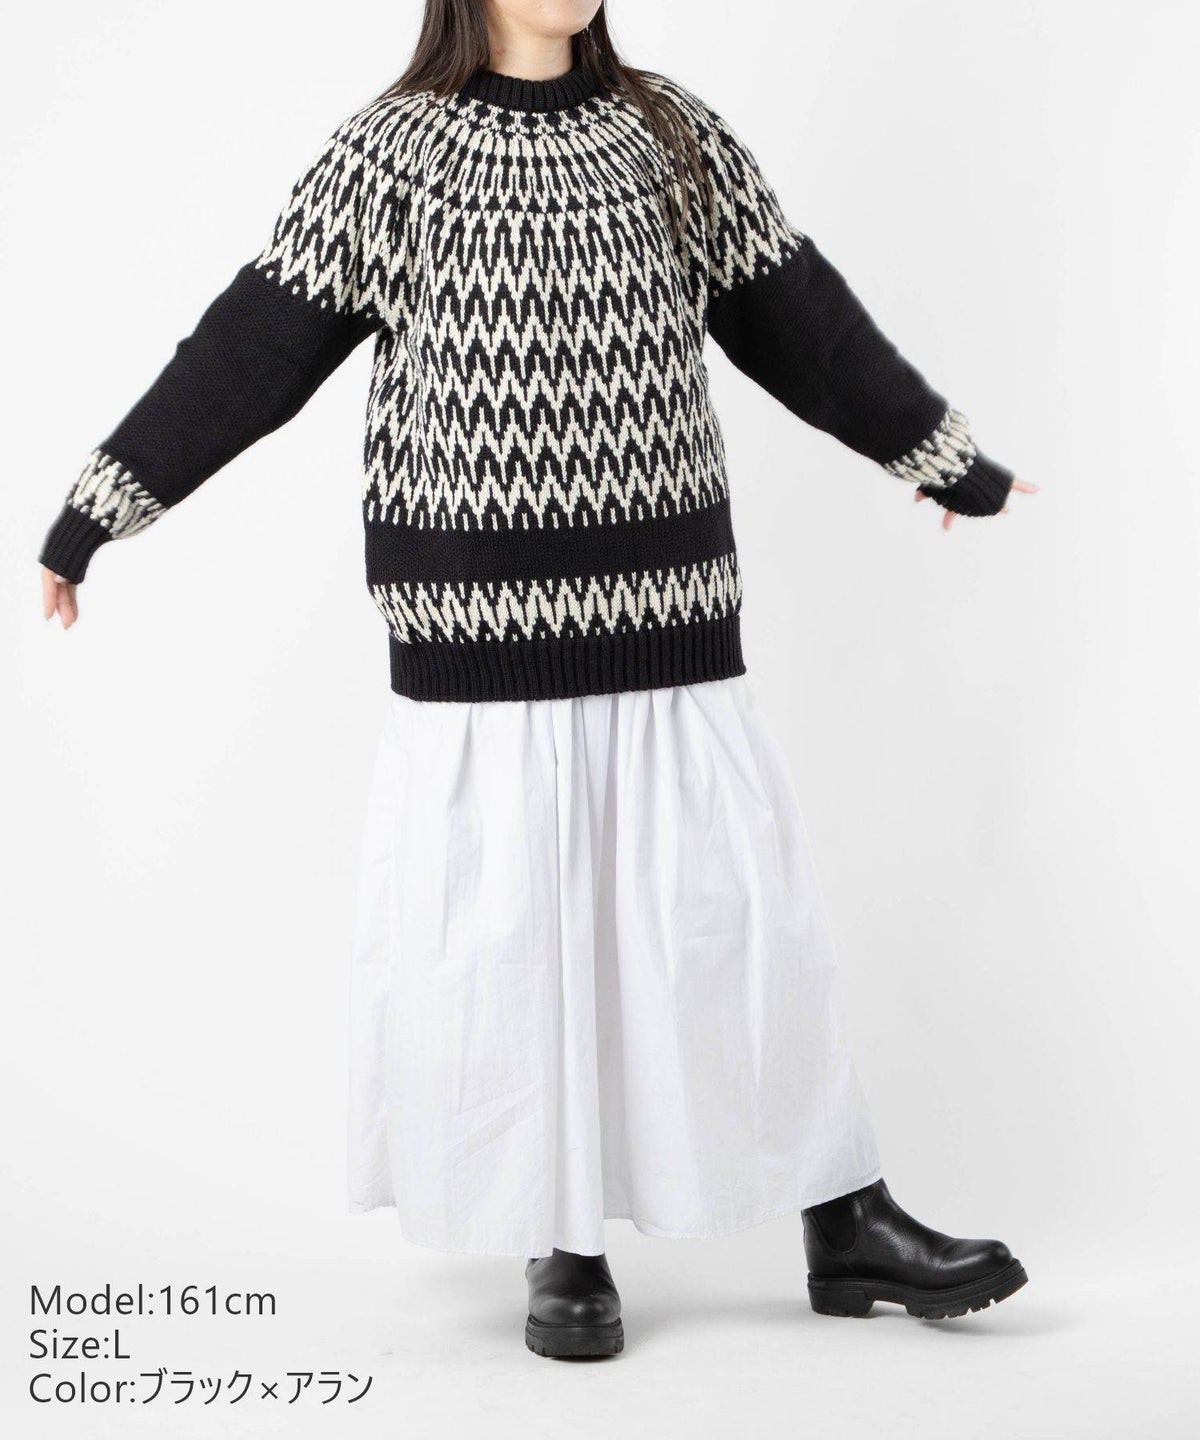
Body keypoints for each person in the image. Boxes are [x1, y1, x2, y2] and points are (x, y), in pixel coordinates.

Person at [39, 0, 1037, 1359]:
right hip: (478, 634)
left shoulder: (670, 135)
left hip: (669, 614)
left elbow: (801, 325)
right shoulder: (395, 155)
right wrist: (102, 509)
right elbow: (250, 354)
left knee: (745, 922)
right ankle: (560, 1239)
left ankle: (844, 1216)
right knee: (521, 943)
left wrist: (945, 457)